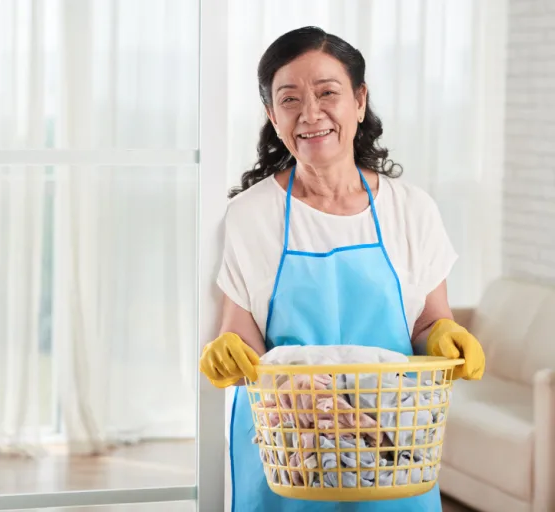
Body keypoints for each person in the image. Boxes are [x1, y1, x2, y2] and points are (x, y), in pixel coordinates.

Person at [198, 27, 486, 512]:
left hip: (392, 455)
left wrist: (442, 336)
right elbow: (241, 335)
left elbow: (429, 321)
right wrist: (230, 350)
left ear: (359, 100)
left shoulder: (411, 210)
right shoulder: (252, 214)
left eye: (328, 93)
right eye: (289, 99)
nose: (311, 114)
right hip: (288, 458)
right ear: (272, 116)